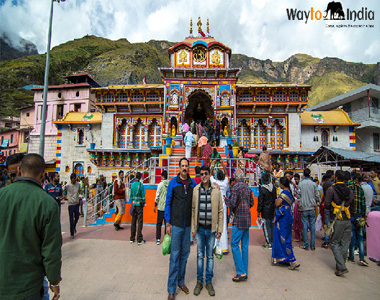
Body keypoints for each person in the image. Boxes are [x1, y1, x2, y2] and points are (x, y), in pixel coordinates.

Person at [0, 154, 62, 300]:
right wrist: (53, 281)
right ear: (43, 175)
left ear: (20, 170)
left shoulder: (2, 195)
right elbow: (51, 250)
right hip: (28, 285)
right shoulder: (47, 203)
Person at [165, 158, 197, 300]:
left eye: (186, 166)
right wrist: (167, 223)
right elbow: (167, 203)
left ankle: (181, 282)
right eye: (182, 166)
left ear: (189, 167)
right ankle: (171, 288)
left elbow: (202, 189)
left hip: (187, 226)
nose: (185, 168)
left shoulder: (192, 184)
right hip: (176, 225)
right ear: (179, 168)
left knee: (185, 255)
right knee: (175, 256)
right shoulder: (173, 183)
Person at [191, 165, 224, 296]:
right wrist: (193, 229)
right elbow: (193, 210)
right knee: (200, 256)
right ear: (199, 176)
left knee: (210, 256)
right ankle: (199, 281)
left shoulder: (216, 190)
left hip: (211, 230)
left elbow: (220, 210)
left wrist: (219, 228)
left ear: (210, 174)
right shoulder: (195, 190)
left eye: (206, 173)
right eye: (201, 174)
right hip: (199, 229)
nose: (204, 176)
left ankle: (209, 282)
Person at [225, 168, 254, 282]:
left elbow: (232, 203)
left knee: (234, 244)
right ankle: (244, 269)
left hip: (239, 219)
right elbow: (251, 203)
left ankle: (241, 272)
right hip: (247, 218)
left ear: (236, 178)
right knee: (245, 245)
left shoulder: (236, 187)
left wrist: (226, 199)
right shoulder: (248, 188)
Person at [325, 170, 354, 276]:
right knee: (345, 243)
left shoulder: (331, 190)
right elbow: (352, 203)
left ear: (336, 178)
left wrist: (334, 206)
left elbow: (327, 204)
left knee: (334, 242)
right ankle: (340, 266)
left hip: (336, 219)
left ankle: (341, 266)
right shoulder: (349, 191)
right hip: (347, 218)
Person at [272, 177, 300, 270]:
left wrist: (276, 199)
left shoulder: (284, 193)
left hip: (283, 218)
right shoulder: (290, 193)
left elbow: (277, 203)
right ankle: (285, 257)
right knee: (287, 237)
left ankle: (292, 260)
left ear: (283, 184)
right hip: (288, 216)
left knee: (283, 238)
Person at [347, 173, 369, 266]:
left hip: (351, 216)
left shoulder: (348, 187)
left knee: (352, 237)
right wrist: (363, 215)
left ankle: (351, 257)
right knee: (360, 237)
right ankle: (362, 258)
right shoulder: (360, 189)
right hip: (360, 216)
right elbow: (363, 203)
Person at [297, 168, 319, 251]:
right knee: (312, 226)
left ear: (303, 174)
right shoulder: (313, 184)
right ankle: (312, 245)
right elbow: (316, 196)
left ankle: (306, 245)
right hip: (312, 207)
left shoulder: (300, 184)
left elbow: (298, 196)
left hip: (304, 207)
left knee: (304, 226)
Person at [210, 161, 229, 253]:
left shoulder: (215, 182)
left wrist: (213, 165)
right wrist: (223, 164)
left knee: (215, 226)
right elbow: (226, 174)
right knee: (223, 226)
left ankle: (215, 246)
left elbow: (210, 175)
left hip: (216, 205)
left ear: (217, 176)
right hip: (223, 206)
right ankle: (224, 247)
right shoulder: (225, 183)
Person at [257, 173, 276, 249]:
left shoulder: (262, 189)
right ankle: (272, 241)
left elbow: (260, 201)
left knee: (266, 227)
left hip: (265, 210)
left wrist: (258, 210)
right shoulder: (273, 187)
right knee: (271, 226)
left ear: (263, 180)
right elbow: (275, 198)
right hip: (272, 209)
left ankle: (268, 242)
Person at [130, 172, 146, 245]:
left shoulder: (132, 185)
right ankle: (139, 238)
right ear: (140, 177)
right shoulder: (141, 185)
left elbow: (131, 196)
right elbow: (143, 196)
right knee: (140, 222)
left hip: (134, 205)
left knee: (133, 221)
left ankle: (132, 238)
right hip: (139, 205)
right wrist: (144, 202)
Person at [64, 173, 81, 239]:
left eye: (75, 178)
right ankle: (72, 233)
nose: (74, 180)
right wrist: (65, 196)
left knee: (77, 217)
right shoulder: (67, 185)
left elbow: (80, 191)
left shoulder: (78, 185)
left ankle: (74, 226)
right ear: (71, 179)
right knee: (71, 219)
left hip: (76, 203)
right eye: (73, 178)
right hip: (70, 203)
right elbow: (63, 190)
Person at [154, 170, 169, 245]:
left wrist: (155, 204)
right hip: (167, 207)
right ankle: (167, 238)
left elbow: (157, 195)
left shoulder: (160, 184)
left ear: (162, 176)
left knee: (159, 223)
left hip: (161, 207)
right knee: (167, 223)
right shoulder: (169, 184)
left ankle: (158, 238)